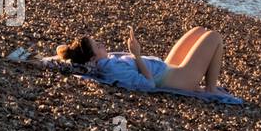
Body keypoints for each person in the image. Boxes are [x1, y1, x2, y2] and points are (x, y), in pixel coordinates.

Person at [56, 25, 226, 95]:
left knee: (199, 30)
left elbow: (61, 54)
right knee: (214, 37)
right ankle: (211, 89)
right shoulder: (112, 69)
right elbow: (148, 85)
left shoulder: (106, 60)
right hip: (177, 79)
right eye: (97, 45)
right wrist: (136, 54)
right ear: (93, 58)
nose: (102, 44)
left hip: (166, 68)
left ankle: (206, 86)